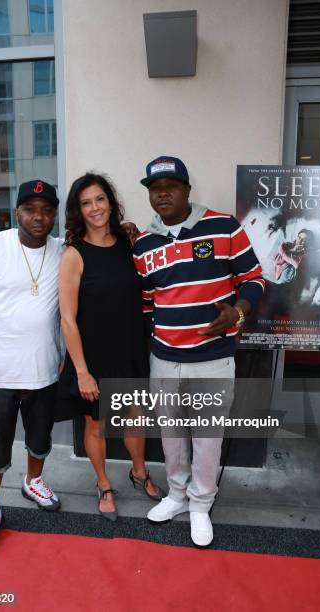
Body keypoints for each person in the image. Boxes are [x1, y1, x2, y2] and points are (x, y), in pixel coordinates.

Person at [133, 156, 265, 547]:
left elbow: (254, 279)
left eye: (171, 186)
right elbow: (146, 304)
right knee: (172, 435)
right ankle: (176, 494)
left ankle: (200, 504)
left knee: (207, 438)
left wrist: (239, 312)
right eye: (155, 189)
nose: (163, 194)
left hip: (212, 358)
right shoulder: (143, 244)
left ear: (188, 189)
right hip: (164, 358)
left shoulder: (223, 227)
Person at [0, 180, 62, 558]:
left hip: (46, 370)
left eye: (47, 210)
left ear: (55, 214)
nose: (39, 217)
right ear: (17, 211)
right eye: (31, 209)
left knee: (40, 436)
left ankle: (33, 481)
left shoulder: (63, 251)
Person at [55, 173, 165, 521]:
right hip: (94, 358)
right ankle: (103, 484)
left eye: (100, 199)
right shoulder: (74, 254)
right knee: (96, 426)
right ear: (78, 210)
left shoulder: (129, 242)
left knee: (136, 419)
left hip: (131, 350)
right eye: (86, 203)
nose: (95, 208)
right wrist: (83, 372)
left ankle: (139, 472)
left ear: (110, 202)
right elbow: (67, 320)